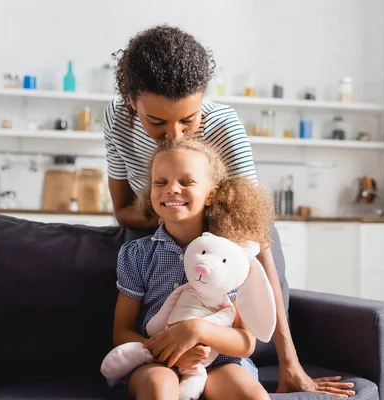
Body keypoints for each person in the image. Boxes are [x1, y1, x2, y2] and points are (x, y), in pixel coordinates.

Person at [104, 24, 355, 398]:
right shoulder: (117, 121)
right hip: (160, 244)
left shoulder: (224, 127)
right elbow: (123, 209)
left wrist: (291, 364)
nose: (176, 135)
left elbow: (253, 227)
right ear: (131, 101)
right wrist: (173, 211)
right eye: (156, 122)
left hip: (227, 247)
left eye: (188, 119)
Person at [111, 139, 275, 399]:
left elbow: (246, 342)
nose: (172, 189)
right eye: (160, 182)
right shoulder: (138, 254)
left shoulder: (232, 257)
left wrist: (197, 330)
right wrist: (171, 352)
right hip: (152, 359)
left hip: (219, 362)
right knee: (160, 387)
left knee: (252, 396)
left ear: (211, 194)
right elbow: (121, 332)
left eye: (187, 182)